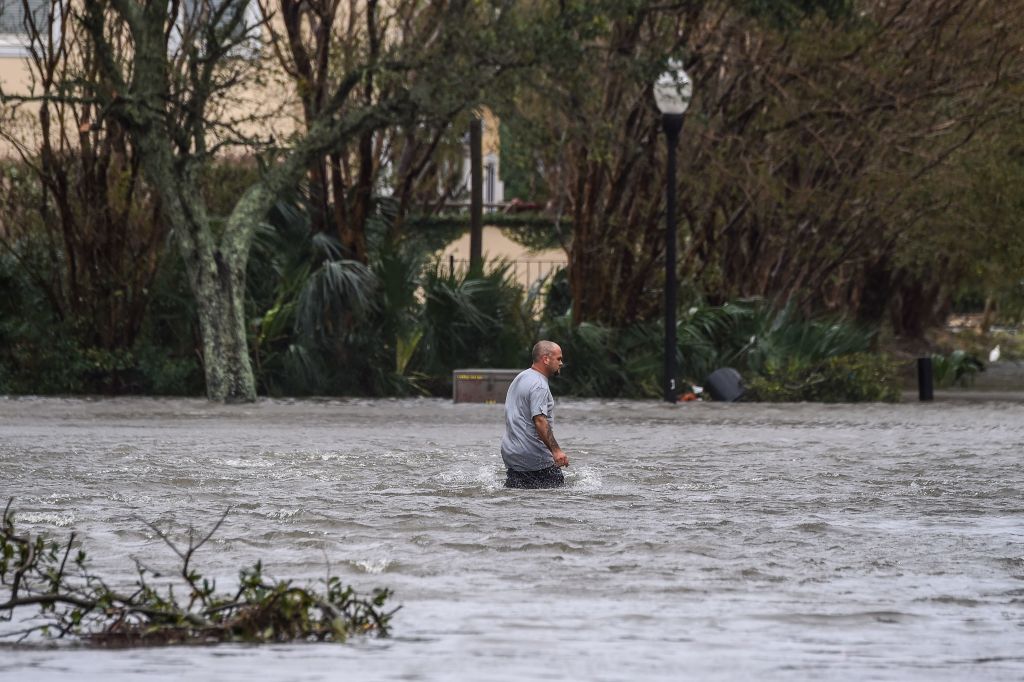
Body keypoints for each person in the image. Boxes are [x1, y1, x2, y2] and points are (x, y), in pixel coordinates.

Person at [500, 340, 570, 489]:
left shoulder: (521, 377)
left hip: (513, 455)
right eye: (558, 358)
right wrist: (556, 451)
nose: (561, 363)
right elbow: (539, 420)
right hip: (534, 458)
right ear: (546, 359)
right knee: (557, 502)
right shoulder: (539, 385)